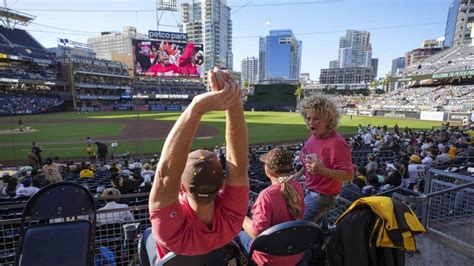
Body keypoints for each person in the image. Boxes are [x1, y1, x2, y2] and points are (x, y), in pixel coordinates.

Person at [148, 68, 248, 259]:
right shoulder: (233, 220)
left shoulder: (168, 231)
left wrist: (196, 107)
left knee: (146, 239)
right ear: (222, 185)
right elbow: (238, 162)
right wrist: (234, 102)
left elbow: (166, 175)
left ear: (183, 187)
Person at [293, 94, 353, 226]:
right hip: (311, 191)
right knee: (318, 231)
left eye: (316, 119)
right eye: (308, 118)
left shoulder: (337, 143)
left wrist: (322, 170)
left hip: (322, 196)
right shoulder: (315, 135)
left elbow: (348, 175)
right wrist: (298, 175)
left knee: (297, 228)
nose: (310, 123)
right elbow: (309, 159)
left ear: (328, 120)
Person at [239, 148, 305, 265]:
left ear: (267, 171)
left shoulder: (267, 195)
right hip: (295, 252)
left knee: (238, 235)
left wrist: (241, 217)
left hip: (271, 259)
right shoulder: (297, 186)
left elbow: (257, 233)